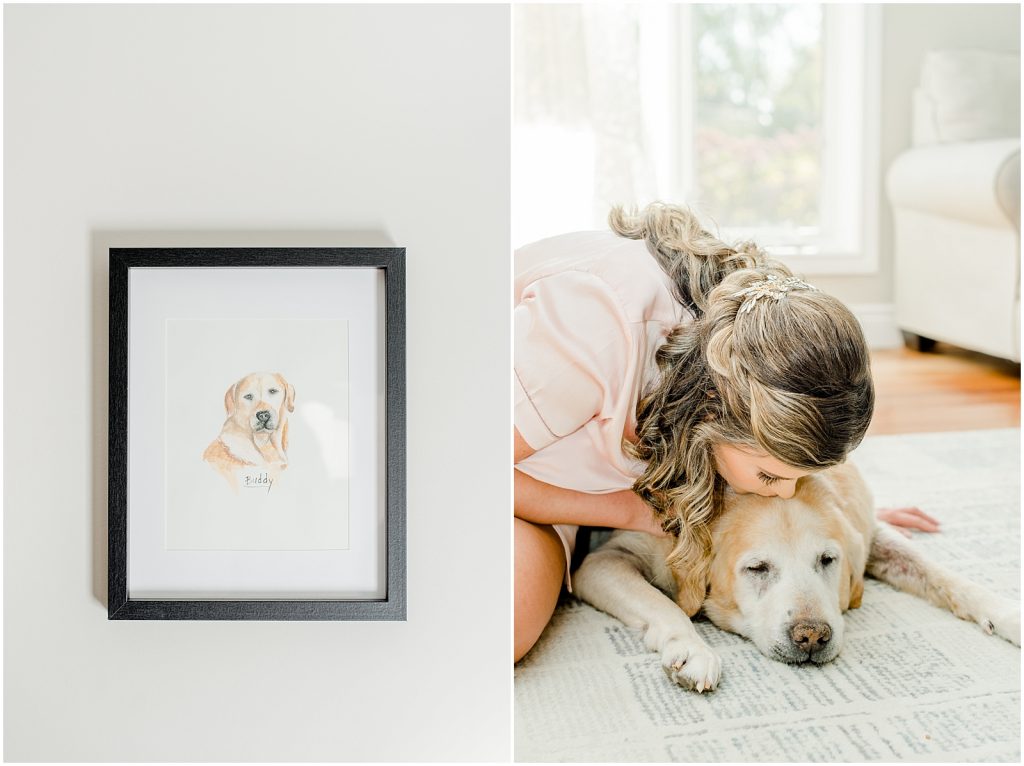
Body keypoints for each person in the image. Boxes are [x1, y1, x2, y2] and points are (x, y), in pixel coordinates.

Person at [514, 202, 939, 662]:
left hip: (562, 472)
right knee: (494, 627)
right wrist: (629, 512)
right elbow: (457, 469)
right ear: (716, 408)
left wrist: (828, 517)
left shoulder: (763, 341)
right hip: (473, 455)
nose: (781, 494)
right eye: (770, 477)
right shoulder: (597, 331)